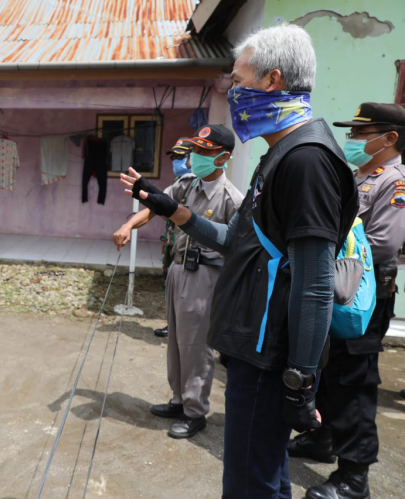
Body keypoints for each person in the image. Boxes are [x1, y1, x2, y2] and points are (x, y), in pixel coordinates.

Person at [120, 24, 358, 496]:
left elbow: (313, 284)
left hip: (271, 359)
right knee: (261, 474)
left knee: (251, 482)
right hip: (253, 349)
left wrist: (300, 380)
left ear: (271, 81)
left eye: (237, 79)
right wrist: (174, 210)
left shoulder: (306, 161)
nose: (231, 90)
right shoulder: (279, 155)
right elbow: (237, 241)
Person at [291, 103, 405, 499]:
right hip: (337, 285)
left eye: (362, 133)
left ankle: (354, 477)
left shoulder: (395, 181)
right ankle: (321, 439)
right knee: (327, 367)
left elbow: (383, 242)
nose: (353, 140)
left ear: (389, 138)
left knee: (354, 382)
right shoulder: (359, 175)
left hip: (365, 296)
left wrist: (324, 249)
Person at [113, 125, 243, 439]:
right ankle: (178, 400)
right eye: (195, 149)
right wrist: (128, 224)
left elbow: (236, 248)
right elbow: (156, 207)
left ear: (223, 157)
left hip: (206, 276)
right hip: (178, 270)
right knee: (175, 343)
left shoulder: (232, 199)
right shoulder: (187, 184)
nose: (196, 156)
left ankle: (195, 412)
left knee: (197, 347)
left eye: (204, 151)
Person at [155, 137, 194, 338]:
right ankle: (172, 324)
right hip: (171, 239)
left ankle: (183, 328)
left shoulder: (197, 183)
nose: (175, 161)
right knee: (169, 283)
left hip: (188, 245)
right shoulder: (177, 183)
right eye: (174, 157)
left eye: (180, 157)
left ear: (192, 158)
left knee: (186, 286)